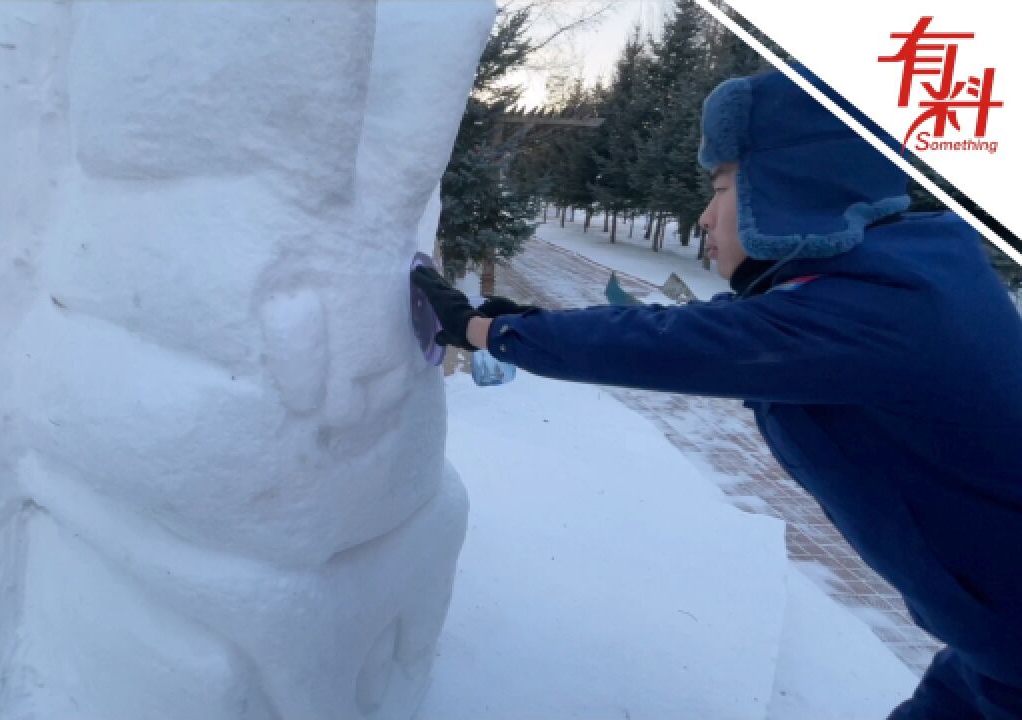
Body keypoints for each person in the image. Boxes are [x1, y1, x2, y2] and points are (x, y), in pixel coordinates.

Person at [412, 65, 1022, 719]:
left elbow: (669, 342)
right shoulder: (918, 266)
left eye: (723, 186)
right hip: (993, 646)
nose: (704, 217)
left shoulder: (874, 315)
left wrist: (485, 329)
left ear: (788, 188)